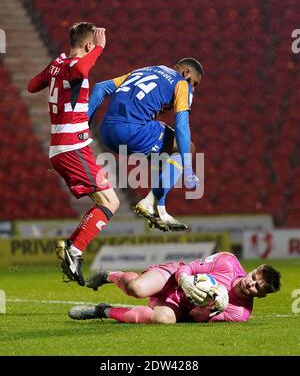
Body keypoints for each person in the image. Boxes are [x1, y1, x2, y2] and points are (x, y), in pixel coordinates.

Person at [27, 23, 120, 286]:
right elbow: (80, 68)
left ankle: (72, 246)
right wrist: (100, 48)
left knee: (105, 201)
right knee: (111, 202)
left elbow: (32, 85)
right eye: (94, 46)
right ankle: (75, 250)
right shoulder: (75, 65)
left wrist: (51, 72)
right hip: (73, 146)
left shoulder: (59, 64)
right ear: (89, 44)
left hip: (59, 147)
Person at [88, 59, 204, 232]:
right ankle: (153, 203)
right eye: (194, 83)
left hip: (106, 133)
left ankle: (156, 204)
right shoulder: (181, 83)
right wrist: (187, 166)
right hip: (133, 132)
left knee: (164, 159)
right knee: (187, 148)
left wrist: (82, 127)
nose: (192, 88)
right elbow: (181, 126)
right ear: (186, 73)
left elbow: (100, 88)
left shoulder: (145, 70)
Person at [68, 252, 281, 323]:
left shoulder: (239, 313)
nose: (250, 284)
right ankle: (109, 275)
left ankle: (102, 311)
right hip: (173, 277)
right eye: (253, 277)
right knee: (136, 289)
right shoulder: (228, 262)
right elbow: (188, 268)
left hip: (179, 306)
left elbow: (195, 318)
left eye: (256, 288)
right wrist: (186, 282)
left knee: (163, 320)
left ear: (261, 296)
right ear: (253, 269)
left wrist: (209, 308)